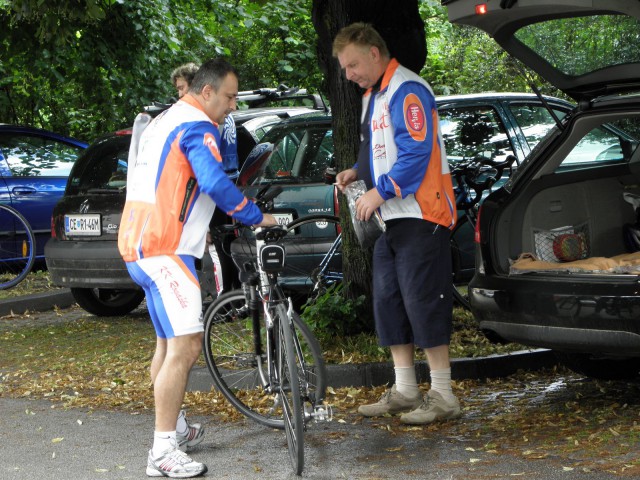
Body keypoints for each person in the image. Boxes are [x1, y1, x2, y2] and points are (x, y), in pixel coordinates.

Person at [119, 58, 276, 478]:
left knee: (167, 345)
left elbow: (169, 180)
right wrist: (254, 214)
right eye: (228, 97)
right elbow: (212, 181)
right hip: (165, 248)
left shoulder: (163, 120)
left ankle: (176, 429)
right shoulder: (196, 125)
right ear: (206, 91)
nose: (232, 106)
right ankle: (162, 450)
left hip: (140, 242)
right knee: (186, 348)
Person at [332, 23, 461, 425]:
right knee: (388, 301)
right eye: (344, 68)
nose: (349, 74)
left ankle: (443, 394)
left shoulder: (407, 88)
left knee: (424, 300)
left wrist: (379, 191)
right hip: (394, 219)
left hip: (422, 214)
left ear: (374, 52)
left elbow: (416, 153)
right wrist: (357, 171)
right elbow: (378, 148)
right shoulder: (374, 95)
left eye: (353, 64)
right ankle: (405, 389)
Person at [173, 62, 240, 295]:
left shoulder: (206, 121)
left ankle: (225, 301)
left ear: (198, 87)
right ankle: (233, 297)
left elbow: (205, 170)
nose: (180, 95)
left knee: (217, 247)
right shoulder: (221, 116)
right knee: (225, 247)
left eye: (182, 88)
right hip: (227, 184)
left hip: (216, 191)